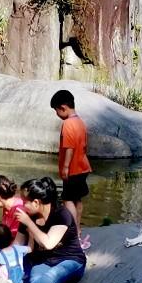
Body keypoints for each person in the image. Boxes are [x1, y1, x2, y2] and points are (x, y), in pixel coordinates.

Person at [17, 175, 86, 283]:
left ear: (36, 202)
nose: (22, 205)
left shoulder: (61, 214)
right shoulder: (29, 216)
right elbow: (17, 244)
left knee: (50, 278)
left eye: (24, 201)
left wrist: (28, 223)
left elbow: (48, 243)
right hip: (44, 262)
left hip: (71, 261)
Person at [51, 90, 91, 226]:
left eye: (56, 111)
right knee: (77, 200)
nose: (56, 114)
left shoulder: (68, 124)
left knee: (67, 199)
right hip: (83, 167)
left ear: (63, 107)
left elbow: (69, 147)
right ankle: (78, 228)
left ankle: (73, 230)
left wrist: (65, 167)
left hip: (73, 169)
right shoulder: (80, 122)